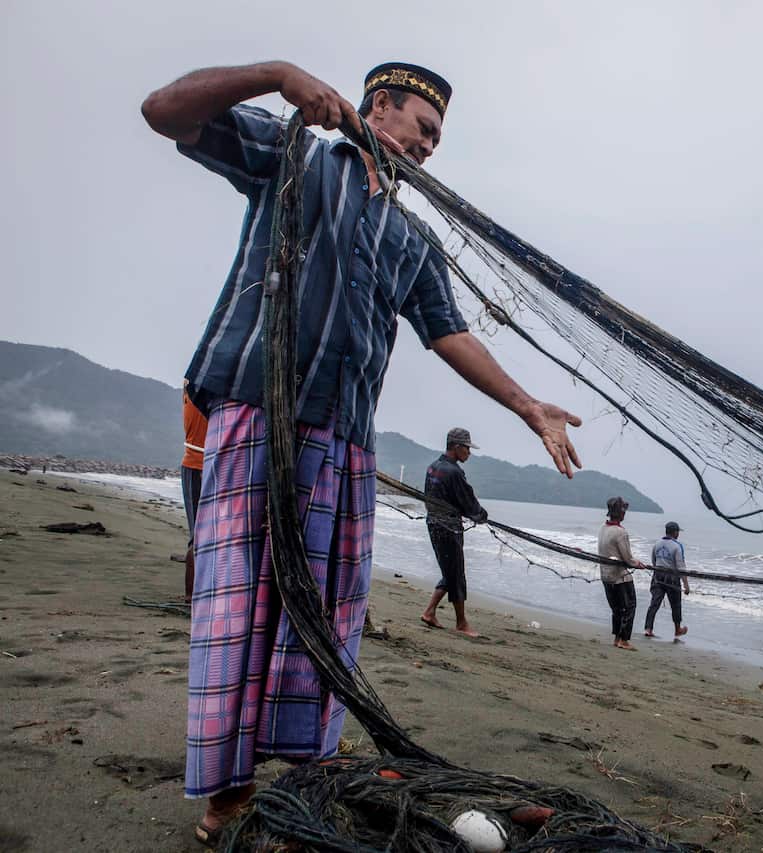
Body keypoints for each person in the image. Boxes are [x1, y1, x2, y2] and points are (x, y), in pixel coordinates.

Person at [142, 60, 583, 847]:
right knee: (238, 607)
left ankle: (304, 778)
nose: (430, 150)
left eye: (439, 141)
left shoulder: (413, 236)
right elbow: (163, 111)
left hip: (344, 445)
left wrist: (526, 404)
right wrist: (276, 73)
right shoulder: (297, 157)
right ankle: (228, 797)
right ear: (379, 107)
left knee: (329, 619)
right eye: (423, 130)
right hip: (257, 416)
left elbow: (447, 332)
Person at [421, 428, 487, 637]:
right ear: (457, 447)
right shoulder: (454, 472)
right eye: (467, 448)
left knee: (450, 571)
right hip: (448, 527)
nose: (469, 452)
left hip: (433, 523)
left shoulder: (433, 467)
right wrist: (480, 515)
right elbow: (467, 500)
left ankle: (430, 612)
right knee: (456, 573)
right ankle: (461, 623)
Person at [598, 496, 644, 650]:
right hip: (619, 577)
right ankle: (623, 640)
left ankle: (617, 639)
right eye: (623, 510)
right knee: (629, 607)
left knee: (616, 609)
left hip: (605, 575)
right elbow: (628, 558)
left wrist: (632, 561)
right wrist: (637, 564)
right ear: (621, 513)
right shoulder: (620, 533)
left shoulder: (603, 528)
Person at [180, 382, 208, 604]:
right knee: (198, 536)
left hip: (202, 464)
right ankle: (191, 596)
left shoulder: (193, 390)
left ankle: (197, 592)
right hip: (198, 464)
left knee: (201, 534)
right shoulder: (200, 393)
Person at [644, 521, 690, 638]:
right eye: (678, 531)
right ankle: (677, 629)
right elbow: (681, 567)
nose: (678, 534)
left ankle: (648, 628)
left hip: (658, 576)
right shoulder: (677, 546)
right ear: (675, 532)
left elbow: (654, 560)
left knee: (654, 603)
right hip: (672, 579)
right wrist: (686, 585)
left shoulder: (657, 544)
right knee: (676, 604)